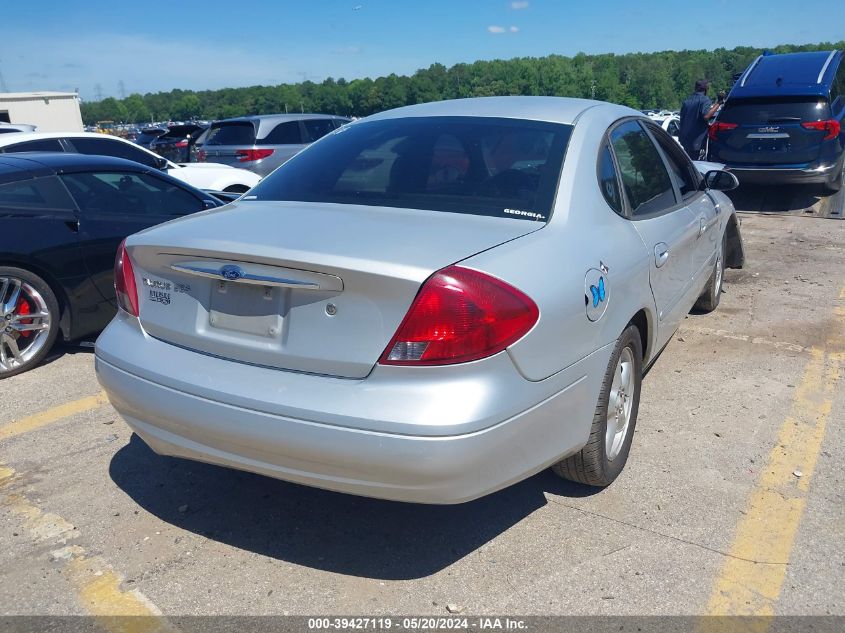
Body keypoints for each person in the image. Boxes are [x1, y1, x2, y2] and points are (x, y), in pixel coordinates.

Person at [679, 80, 722, 159]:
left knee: (687, 161)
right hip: (697, 140)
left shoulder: (687, 101)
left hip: (685, 139)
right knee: (697, 165)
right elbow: (706, 116)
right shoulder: (705, 100)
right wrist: (719, 103)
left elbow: (682, 118)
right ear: (706, 89)